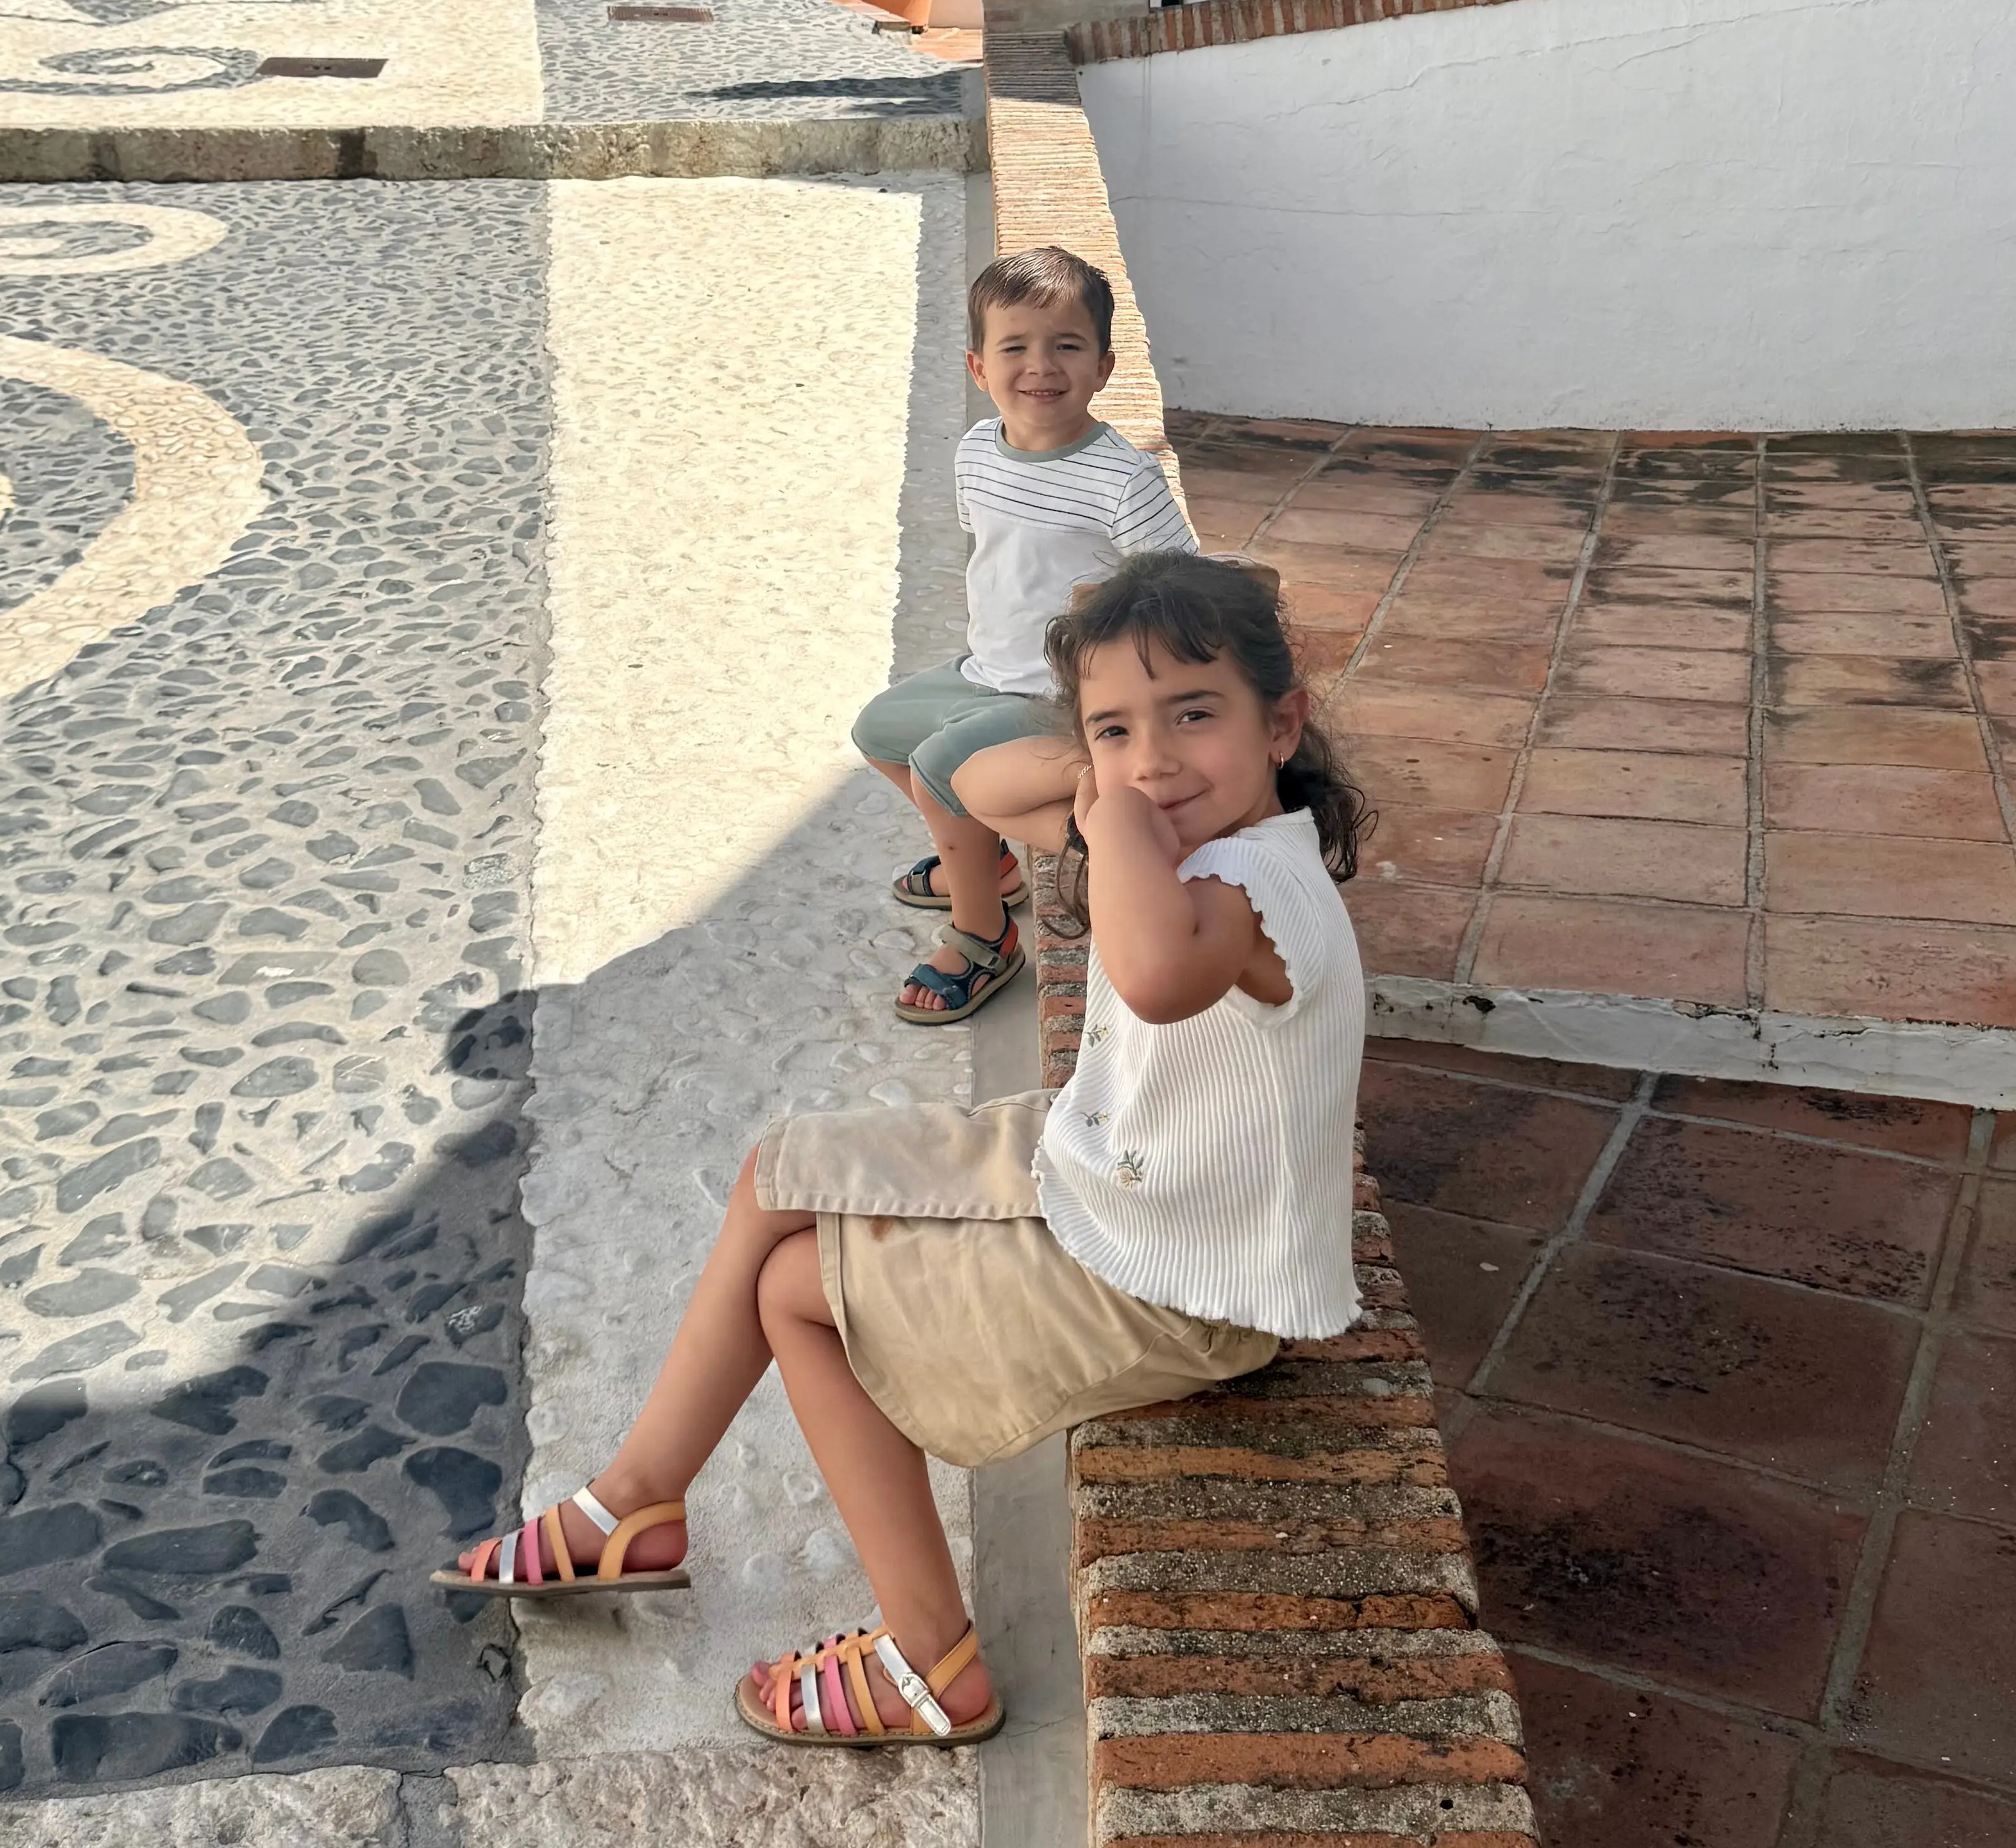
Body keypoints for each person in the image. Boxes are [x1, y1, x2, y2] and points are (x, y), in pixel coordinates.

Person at [434, 552, 1370, 1750]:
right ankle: (634, 1502)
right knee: (777, 1171)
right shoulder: (1180, 827)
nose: (1158, 757)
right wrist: (1098, 773)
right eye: (1116, 726)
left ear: (1279, 721)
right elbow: (975, 781)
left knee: (799, 1295)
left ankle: (930, 1660)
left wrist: (1115, 809)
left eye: (1195, 713)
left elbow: (1149, 968)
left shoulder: (1245, 888)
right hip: (1117, 1173)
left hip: (1184, 1279)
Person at [850, 245, 1197, 1027]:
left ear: (1103, 366)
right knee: (878, 732)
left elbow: (1185, 591)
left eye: (1067, 346)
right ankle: (986, 861)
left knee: (943, 765)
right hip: (988, 670)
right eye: (1015, 348)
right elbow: (998, 560)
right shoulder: (977, 452)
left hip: (1062, 694)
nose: (1041, 367)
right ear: (978, 366)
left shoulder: (1121, 479)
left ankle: (983, 934)